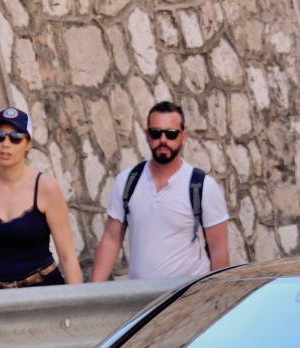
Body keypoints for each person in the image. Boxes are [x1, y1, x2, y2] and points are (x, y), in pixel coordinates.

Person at [91, 101, 231, 283]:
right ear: (147, 135)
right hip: (141, 300)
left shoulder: (202, 187)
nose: (163, 140)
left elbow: (219, 251)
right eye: (156, 133)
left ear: (184, 136)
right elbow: (111, 239)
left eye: (171, 134)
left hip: (188, 300)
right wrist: (92, 293)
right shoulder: (127, 181)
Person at [0, 107, 82, 291]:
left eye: (15, 138)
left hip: (42, 290)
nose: (6, 144)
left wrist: (79, 305)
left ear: (28, 143)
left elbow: (67, 254)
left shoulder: (46, 187)